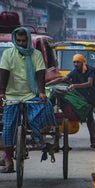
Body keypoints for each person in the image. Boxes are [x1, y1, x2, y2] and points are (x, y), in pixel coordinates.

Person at [0, 27, 57, 173]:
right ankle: (9, 160)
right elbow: (4, 73)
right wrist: (2, 92)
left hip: (31, 94)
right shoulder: (8, 54)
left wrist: (41, 92)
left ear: (28, 40)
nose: (21, 44)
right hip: (12, 96)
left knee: (46, 106)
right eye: (18, 41)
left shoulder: (36, 54)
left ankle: (38, 135)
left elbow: (40, 73)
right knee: (7, 129)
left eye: (24, 41)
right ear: (14, 40)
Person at [46, 54, 95, 149]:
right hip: (83, 95)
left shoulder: (91, 70)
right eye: (74, 62)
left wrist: (75, 86)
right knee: (89, 116)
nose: (76, 64)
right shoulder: (74, 72)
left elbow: (90, 83)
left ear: (82, 62)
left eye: (78, 62)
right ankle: (94, 141)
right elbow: (62, 79)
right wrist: (47, 84)